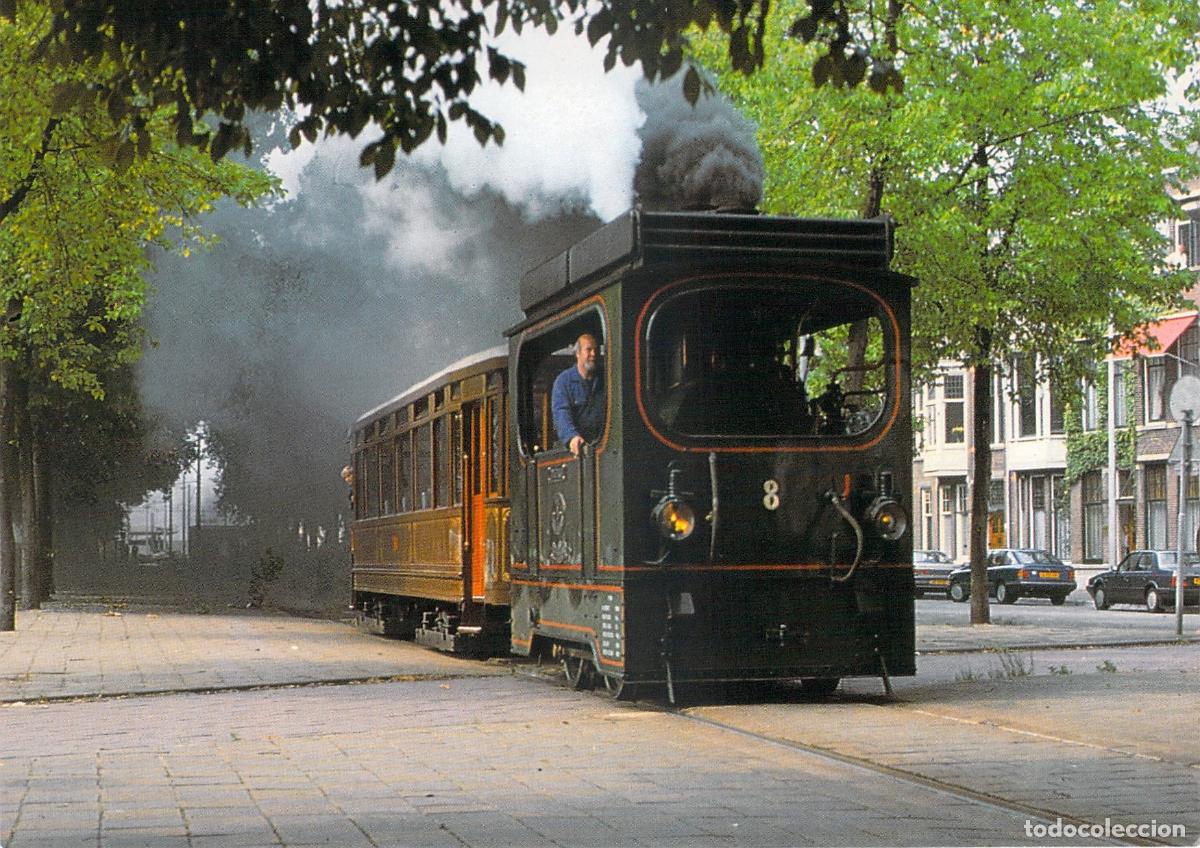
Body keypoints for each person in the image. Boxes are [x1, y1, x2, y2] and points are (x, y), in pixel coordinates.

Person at [551, 332, 606, 455]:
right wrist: (572, 438)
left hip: (601, 445)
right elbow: (561, 413)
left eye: (596, 350)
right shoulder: (563, 382)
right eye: (589, 350)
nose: (593, 354)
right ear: (578, 354)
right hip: (575, 450)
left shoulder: (606, 378)